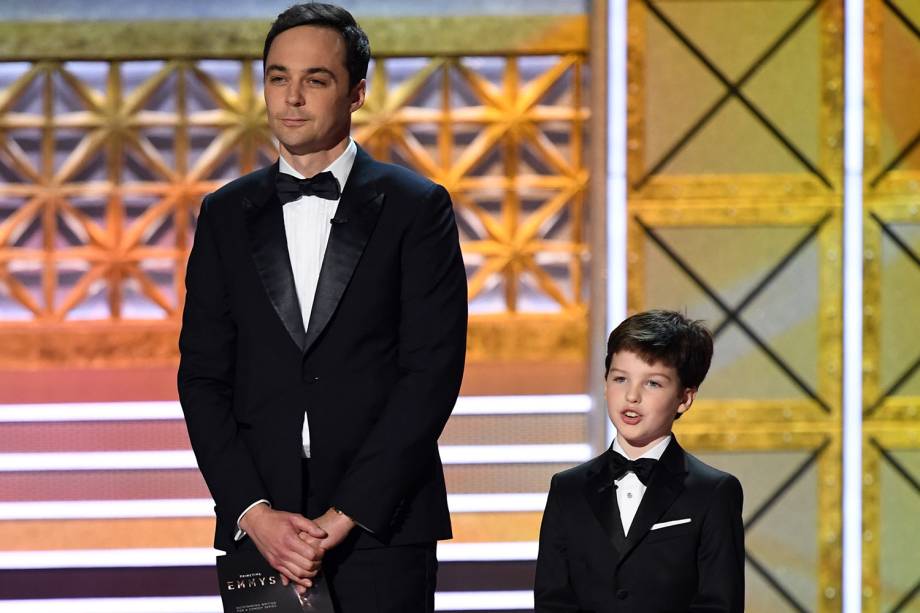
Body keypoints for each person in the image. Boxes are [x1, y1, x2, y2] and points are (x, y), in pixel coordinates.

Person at [177, 4, 468, 612]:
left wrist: (346, 514)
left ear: (357, 92)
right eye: (278, 77)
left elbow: (431, 374)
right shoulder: (226, 214)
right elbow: (203, 376)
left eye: (316, 80)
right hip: (261, 530)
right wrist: (253, 514)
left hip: (381, 527)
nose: (292, 98)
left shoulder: (417, 208)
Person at [534, 310, 744, 612]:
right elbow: (552, 601)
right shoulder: (567, 489)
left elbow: (719, 603)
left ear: (684, 398)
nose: (631, 396)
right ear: (605, 384)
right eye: (620, 378)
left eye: (653, 384)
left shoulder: (713, 492)